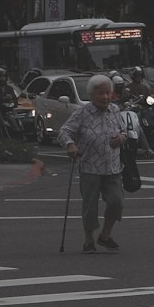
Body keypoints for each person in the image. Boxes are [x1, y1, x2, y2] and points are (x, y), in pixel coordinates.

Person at [57, 72, 127, 253]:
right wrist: (70, 145)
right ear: (91, 95)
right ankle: (89, 241)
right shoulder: (82, 113)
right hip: (90, 167)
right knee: (90, 206)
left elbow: (124, 131)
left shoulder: (115, 110)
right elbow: (64, 131)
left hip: (113, 166)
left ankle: (105, 236)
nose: (105, 97)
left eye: (107, 93)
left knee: (116, 202)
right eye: (100, 93)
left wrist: (121, 137)